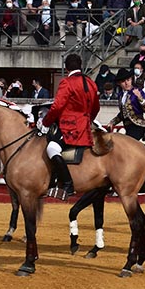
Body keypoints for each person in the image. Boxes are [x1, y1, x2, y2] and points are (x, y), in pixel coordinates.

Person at [40, 53, 100, 199]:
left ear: (66, 68)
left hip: (70, 127)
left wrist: (46, 122)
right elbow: (96, 107)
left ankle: (67, 183)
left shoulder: (67, 82)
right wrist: (87, 120)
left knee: (51, 148)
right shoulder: (91, 82)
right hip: (85, 126)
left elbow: (57, 107)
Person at [106, 68, 145, 141]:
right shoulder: (120, 95)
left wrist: (140, 98)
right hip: (128, 128)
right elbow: (123, 114)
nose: (126, 83)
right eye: (123, 81)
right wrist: (112, 122)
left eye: (128, 80)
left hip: (138, 127)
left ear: (131, 80)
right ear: (119, 83)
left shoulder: (138, 92)